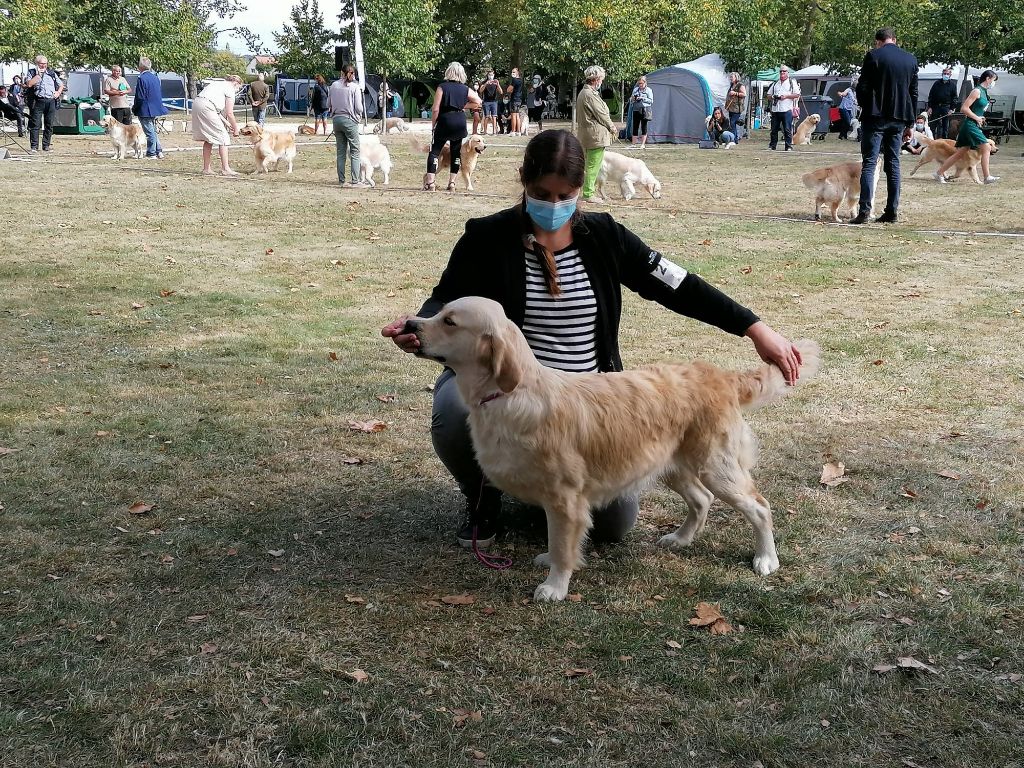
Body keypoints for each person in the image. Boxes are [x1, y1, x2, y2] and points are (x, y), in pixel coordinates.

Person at [381, 129, 805, 548]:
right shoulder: (487, 238)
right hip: (505, 383)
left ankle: (545, 488)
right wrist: (417, 327)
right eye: (542, 194)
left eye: (565, 196)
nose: (553, 205)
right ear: (524, 183)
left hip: (587, 404)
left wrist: (754, 327)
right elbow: (445, 298)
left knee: (613, 527)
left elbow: (679, 286)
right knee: (454, 412)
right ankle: (483, 500)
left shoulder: (605, 237)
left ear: (580, 189)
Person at [852, 28, 918, 224]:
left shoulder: (873, 55)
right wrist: (910, 122)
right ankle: (892, 210)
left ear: (878, 42)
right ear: (894, 40)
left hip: (875, 115)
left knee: (870, 163)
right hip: (899, 118)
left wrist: (866, 105)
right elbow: (913, 93)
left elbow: (862, 86)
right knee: (893, 163)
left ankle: (864, 210)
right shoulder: (910, 59)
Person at [424, 61, 482, 192]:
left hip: (444, 121)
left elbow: (435, 109)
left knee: (434, 152)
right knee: (456, 153)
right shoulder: (465, 89)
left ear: (448, 72)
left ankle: (430, 183)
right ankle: (452, 183)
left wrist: (434, 124)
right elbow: (478, 102)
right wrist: (463, 106)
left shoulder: (442, 87)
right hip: (459, 122)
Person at [934, 70, 999, 185]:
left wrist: (980, 118)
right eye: (993, 80)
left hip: (973, 124)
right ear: (988, 78)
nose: (994, 83)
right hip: (970, 125)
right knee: (986, 147)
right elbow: (964, 108)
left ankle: (939, 173)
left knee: (959, 153)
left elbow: (977, 109)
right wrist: (977, 118)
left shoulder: (983, 92)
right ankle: (987, 176)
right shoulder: (977, 91)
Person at [574, 65, 617, 201]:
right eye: (601, 79)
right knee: (593, 166)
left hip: (588, 135)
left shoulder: (584, 92)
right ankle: (588, 193)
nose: (601, 82)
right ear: (596, 79)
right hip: (594, 136)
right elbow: (602, 114)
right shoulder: (589, 94)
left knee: (590, 165)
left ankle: (588, 190)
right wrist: (612, 127)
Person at [192, 74, 242, 176]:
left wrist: (227, 123)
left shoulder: (218, 84)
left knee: (208, 137)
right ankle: (225, 169)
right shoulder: (230, 89)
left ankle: (207, 168)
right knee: (223, 137)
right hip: (207, 107)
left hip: (198, 103)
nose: (237, 90)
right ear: (236, 83)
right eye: (239, 88)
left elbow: (216, 110)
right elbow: (229, 113)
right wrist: (236, 128)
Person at [329, 64, 366, 187]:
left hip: (336, 120)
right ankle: (355, 180)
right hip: (350, 120)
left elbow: (328, 103)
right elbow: (359, 108)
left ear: (341, 72)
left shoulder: (333, 86)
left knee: (341, 152)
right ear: (353, 74)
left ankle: (341, 180)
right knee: (355, 151)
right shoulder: (355, 87)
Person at [24, 55, 64, 153]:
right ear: (37, 64)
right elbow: (29, 84)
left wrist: (58, 92)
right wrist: (38, 75)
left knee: (49, 124)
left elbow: (61, 85)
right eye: (41, 63)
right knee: (35, 124)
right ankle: (34, 146)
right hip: (38, 101)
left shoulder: (51, 73)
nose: (43, 66)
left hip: (50, 101)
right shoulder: (32, 72)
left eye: (45, 63)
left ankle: (46, 145)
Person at [767, 65, 799, 151]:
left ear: (787, 73)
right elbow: (768, 95)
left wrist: (786, 96)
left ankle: (788, 146)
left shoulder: (792, 83)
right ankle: (772, 145)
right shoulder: (775, 83)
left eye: (784, 71)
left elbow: (797, 94)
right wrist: (774, 97)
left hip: (786, 109)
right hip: (776, 109)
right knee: (774, 129)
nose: (782, 73)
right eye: (781, 71)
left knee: (787, 129)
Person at [927, 66, 957, 139]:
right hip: (936, 106)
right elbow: (931, 95)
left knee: (945, 127)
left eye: (947, 74)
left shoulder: (952, 85)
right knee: (933, 126)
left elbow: (954, 98)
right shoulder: (937, 83)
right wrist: (930, 107)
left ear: (950, 75)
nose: (946, 75)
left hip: (946, 107)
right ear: (942, 74)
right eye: (944, 73)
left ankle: (944, 141)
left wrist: (952, 109)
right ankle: (932, 140)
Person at [629, 75, 654, 148]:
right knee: (635, 126)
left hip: (645, 110)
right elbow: (631, 99)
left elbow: (651, 101)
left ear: (645, 83)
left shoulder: (649, 90)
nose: (640, 85)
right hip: (636, 109)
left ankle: (642, 144)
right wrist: (633, 99)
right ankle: (633, 144)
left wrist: (642, 98)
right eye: (639, 83)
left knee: (644, 127)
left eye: (641, 83)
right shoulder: (636, 89)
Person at [479, 70, 501, 135]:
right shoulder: (484, 82)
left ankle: (494, 132)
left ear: (494, 75)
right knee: (486, 116)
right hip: (486, 101)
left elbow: (501, 92)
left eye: (492, 75)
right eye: (489, 75)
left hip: (494, 101)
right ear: (487, 75)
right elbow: (480, 90)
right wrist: (486, 84)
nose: (490, 76)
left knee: (494, 116)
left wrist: (498, 84)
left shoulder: (495, 82)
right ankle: (485, 132)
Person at [725, 72, 746, 142]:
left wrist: (735, 93)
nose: (730, 78)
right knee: (732, 123)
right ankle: (735, 138)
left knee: (732, 122)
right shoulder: (731, 85)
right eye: (730, 77)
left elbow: (744, 94)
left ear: (736, 77)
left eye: (732, 77)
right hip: (731, 107)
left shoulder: (740, 85)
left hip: (737, 108)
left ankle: (734, 139)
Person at [509, 67, 524, 135]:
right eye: (512, 72)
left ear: (518, 72)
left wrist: (510, 90)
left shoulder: (514, 80)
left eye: (514, 72)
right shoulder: (521, 80)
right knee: (517, 115)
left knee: (513, 115)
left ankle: (513, 131)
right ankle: (518, 131)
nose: (512, 73)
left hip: (514, 99)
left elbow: (509, 90)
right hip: (519, 99)